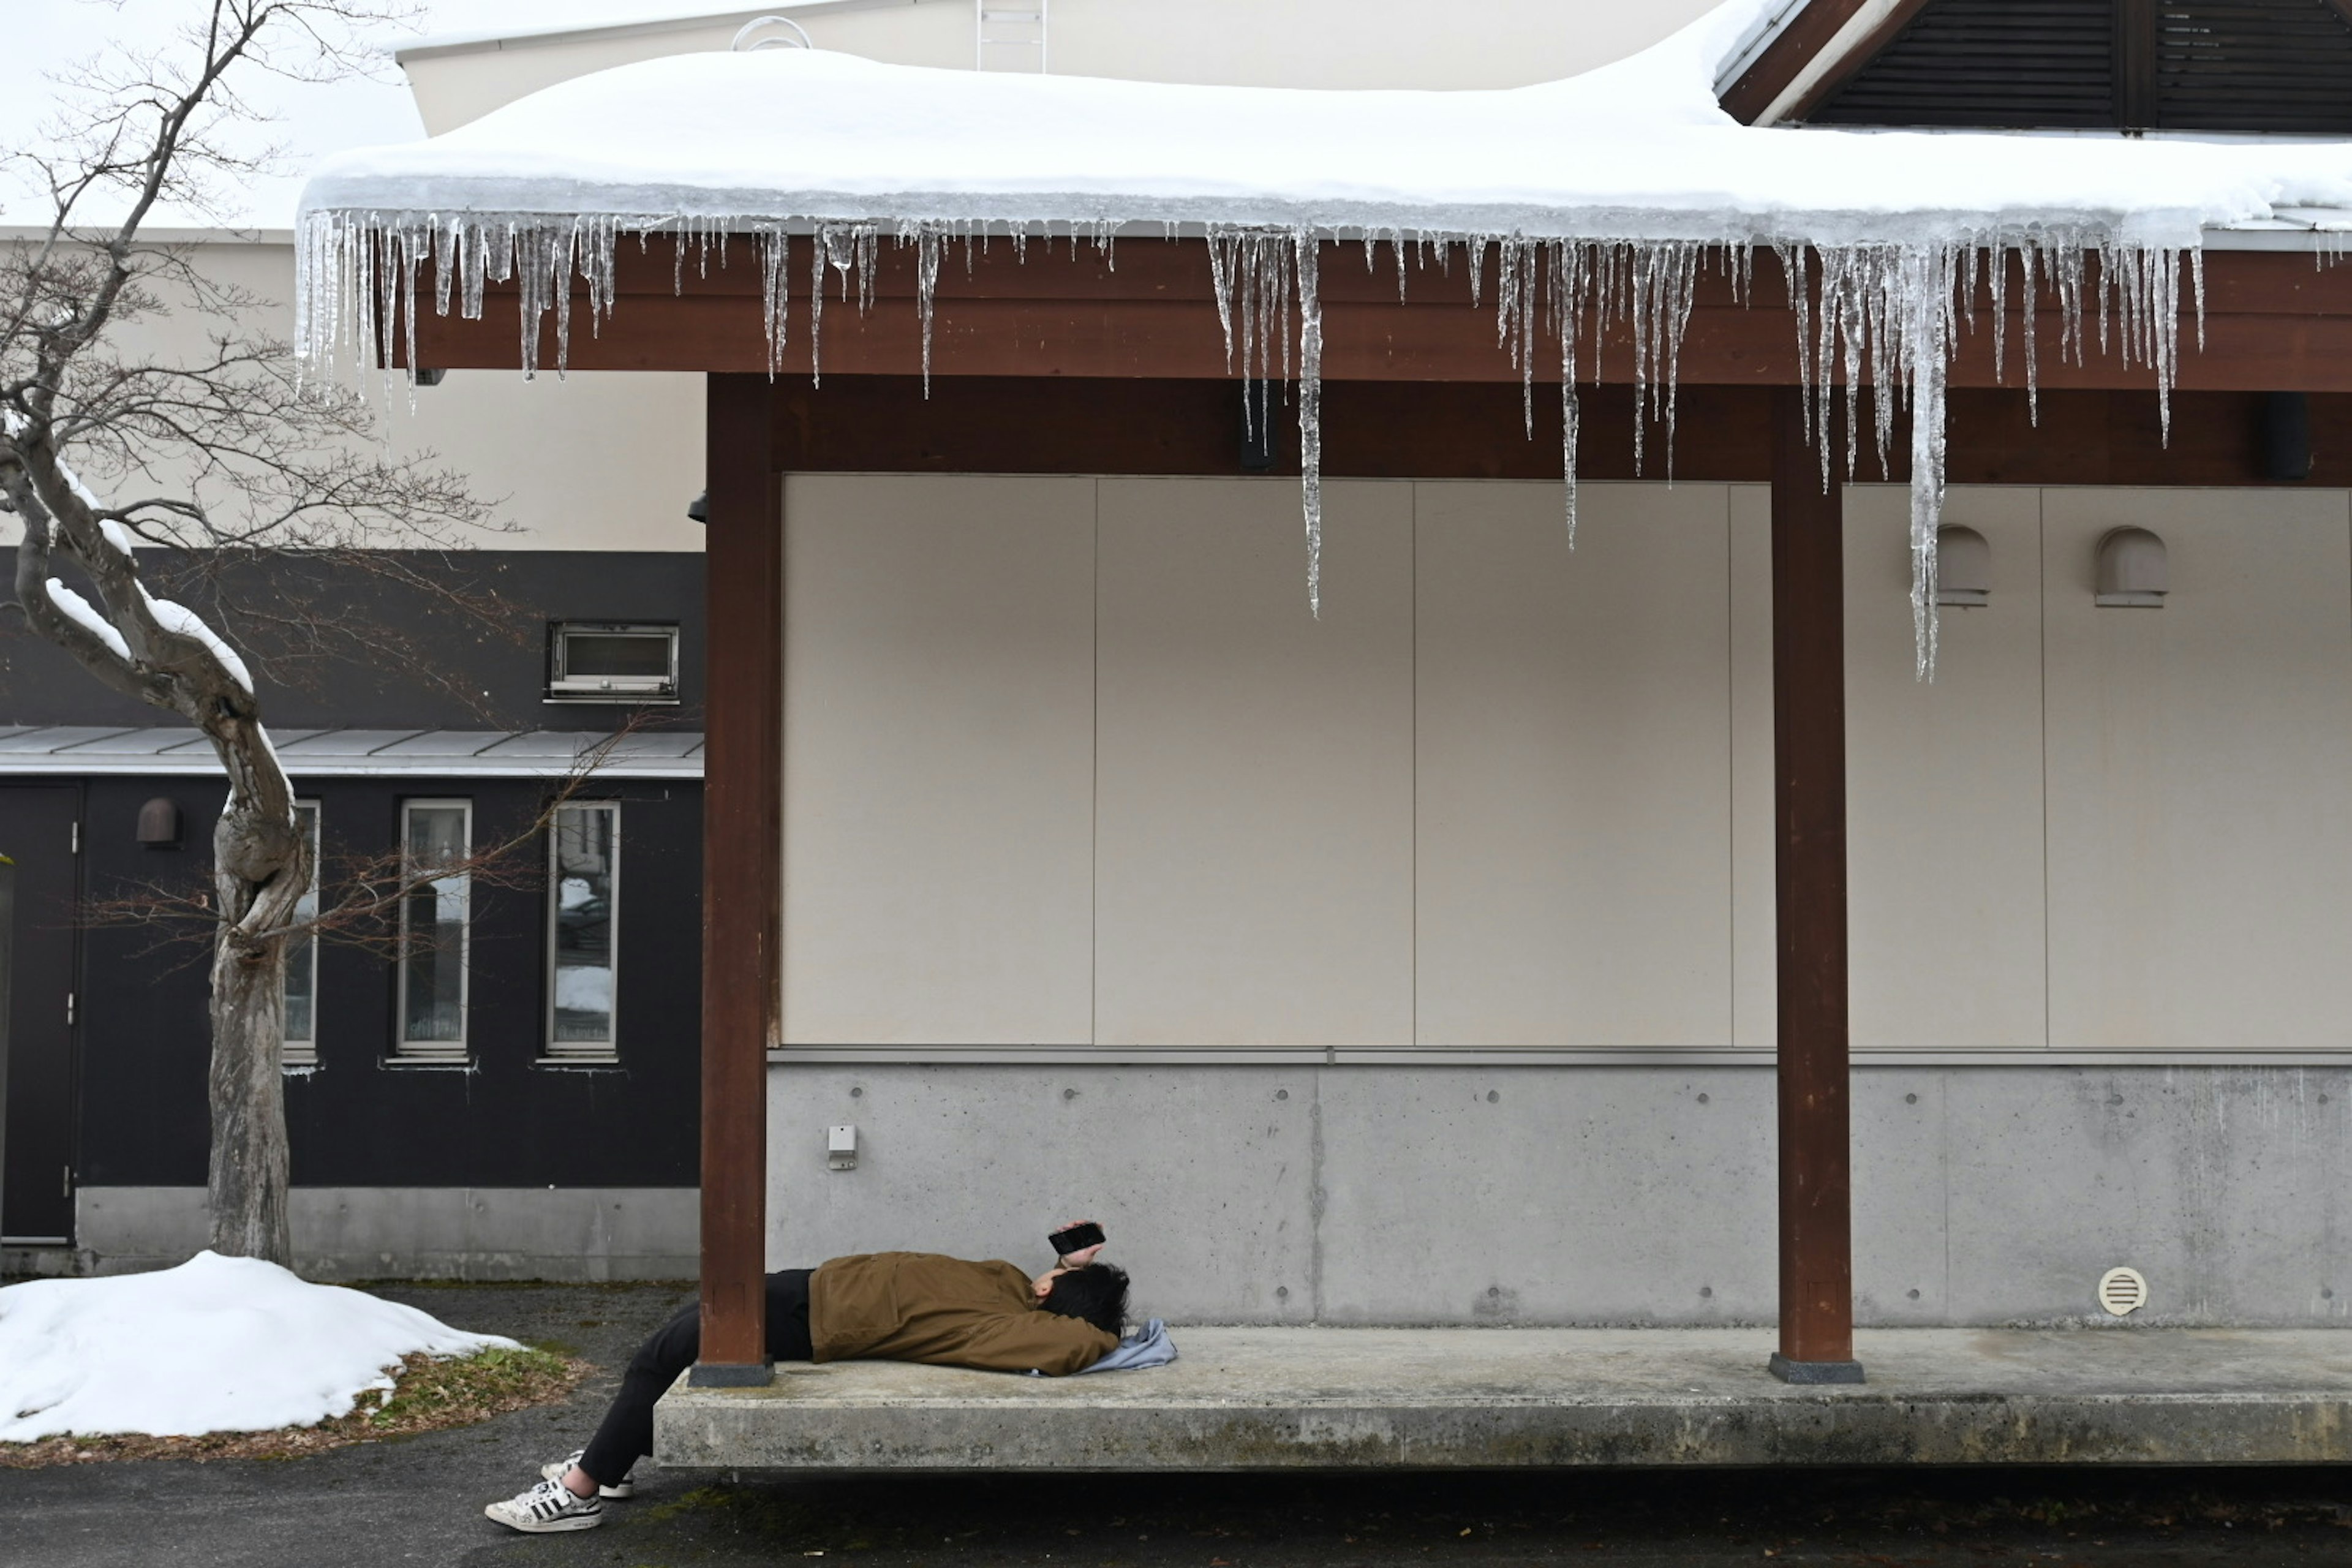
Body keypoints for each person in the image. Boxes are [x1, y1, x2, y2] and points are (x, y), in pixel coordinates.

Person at [486, 1224, 1129, 1534]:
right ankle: (616, 1462)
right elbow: (1056, 1289)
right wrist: (1070, 1257)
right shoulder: (1012, 1285)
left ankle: (581, 1492)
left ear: (1061, 1304)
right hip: (810, 1286)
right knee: (677, 1334)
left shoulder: (1014, 1326)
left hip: (815, 1319)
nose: (1047, 1274)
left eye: (1059, 1280)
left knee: (666, 1351)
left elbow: (1078, 1342)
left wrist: (1103, 1325)